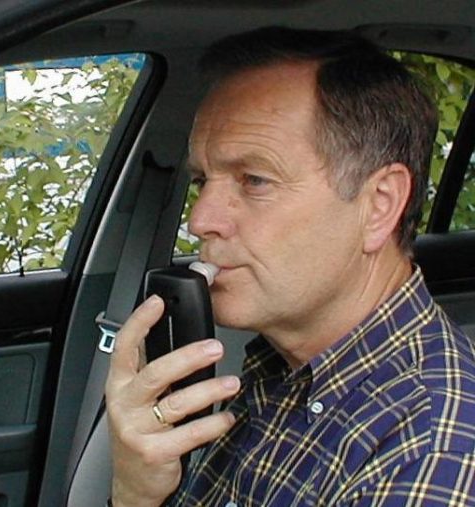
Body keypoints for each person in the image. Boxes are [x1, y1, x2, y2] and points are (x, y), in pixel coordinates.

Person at [105, 27, 475, 506]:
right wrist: (136, 493)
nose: (200, 220)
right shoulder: (282, 368)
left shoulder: (430, 453)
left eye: (255, 180)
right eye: (201, 181)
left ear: (379, 205)